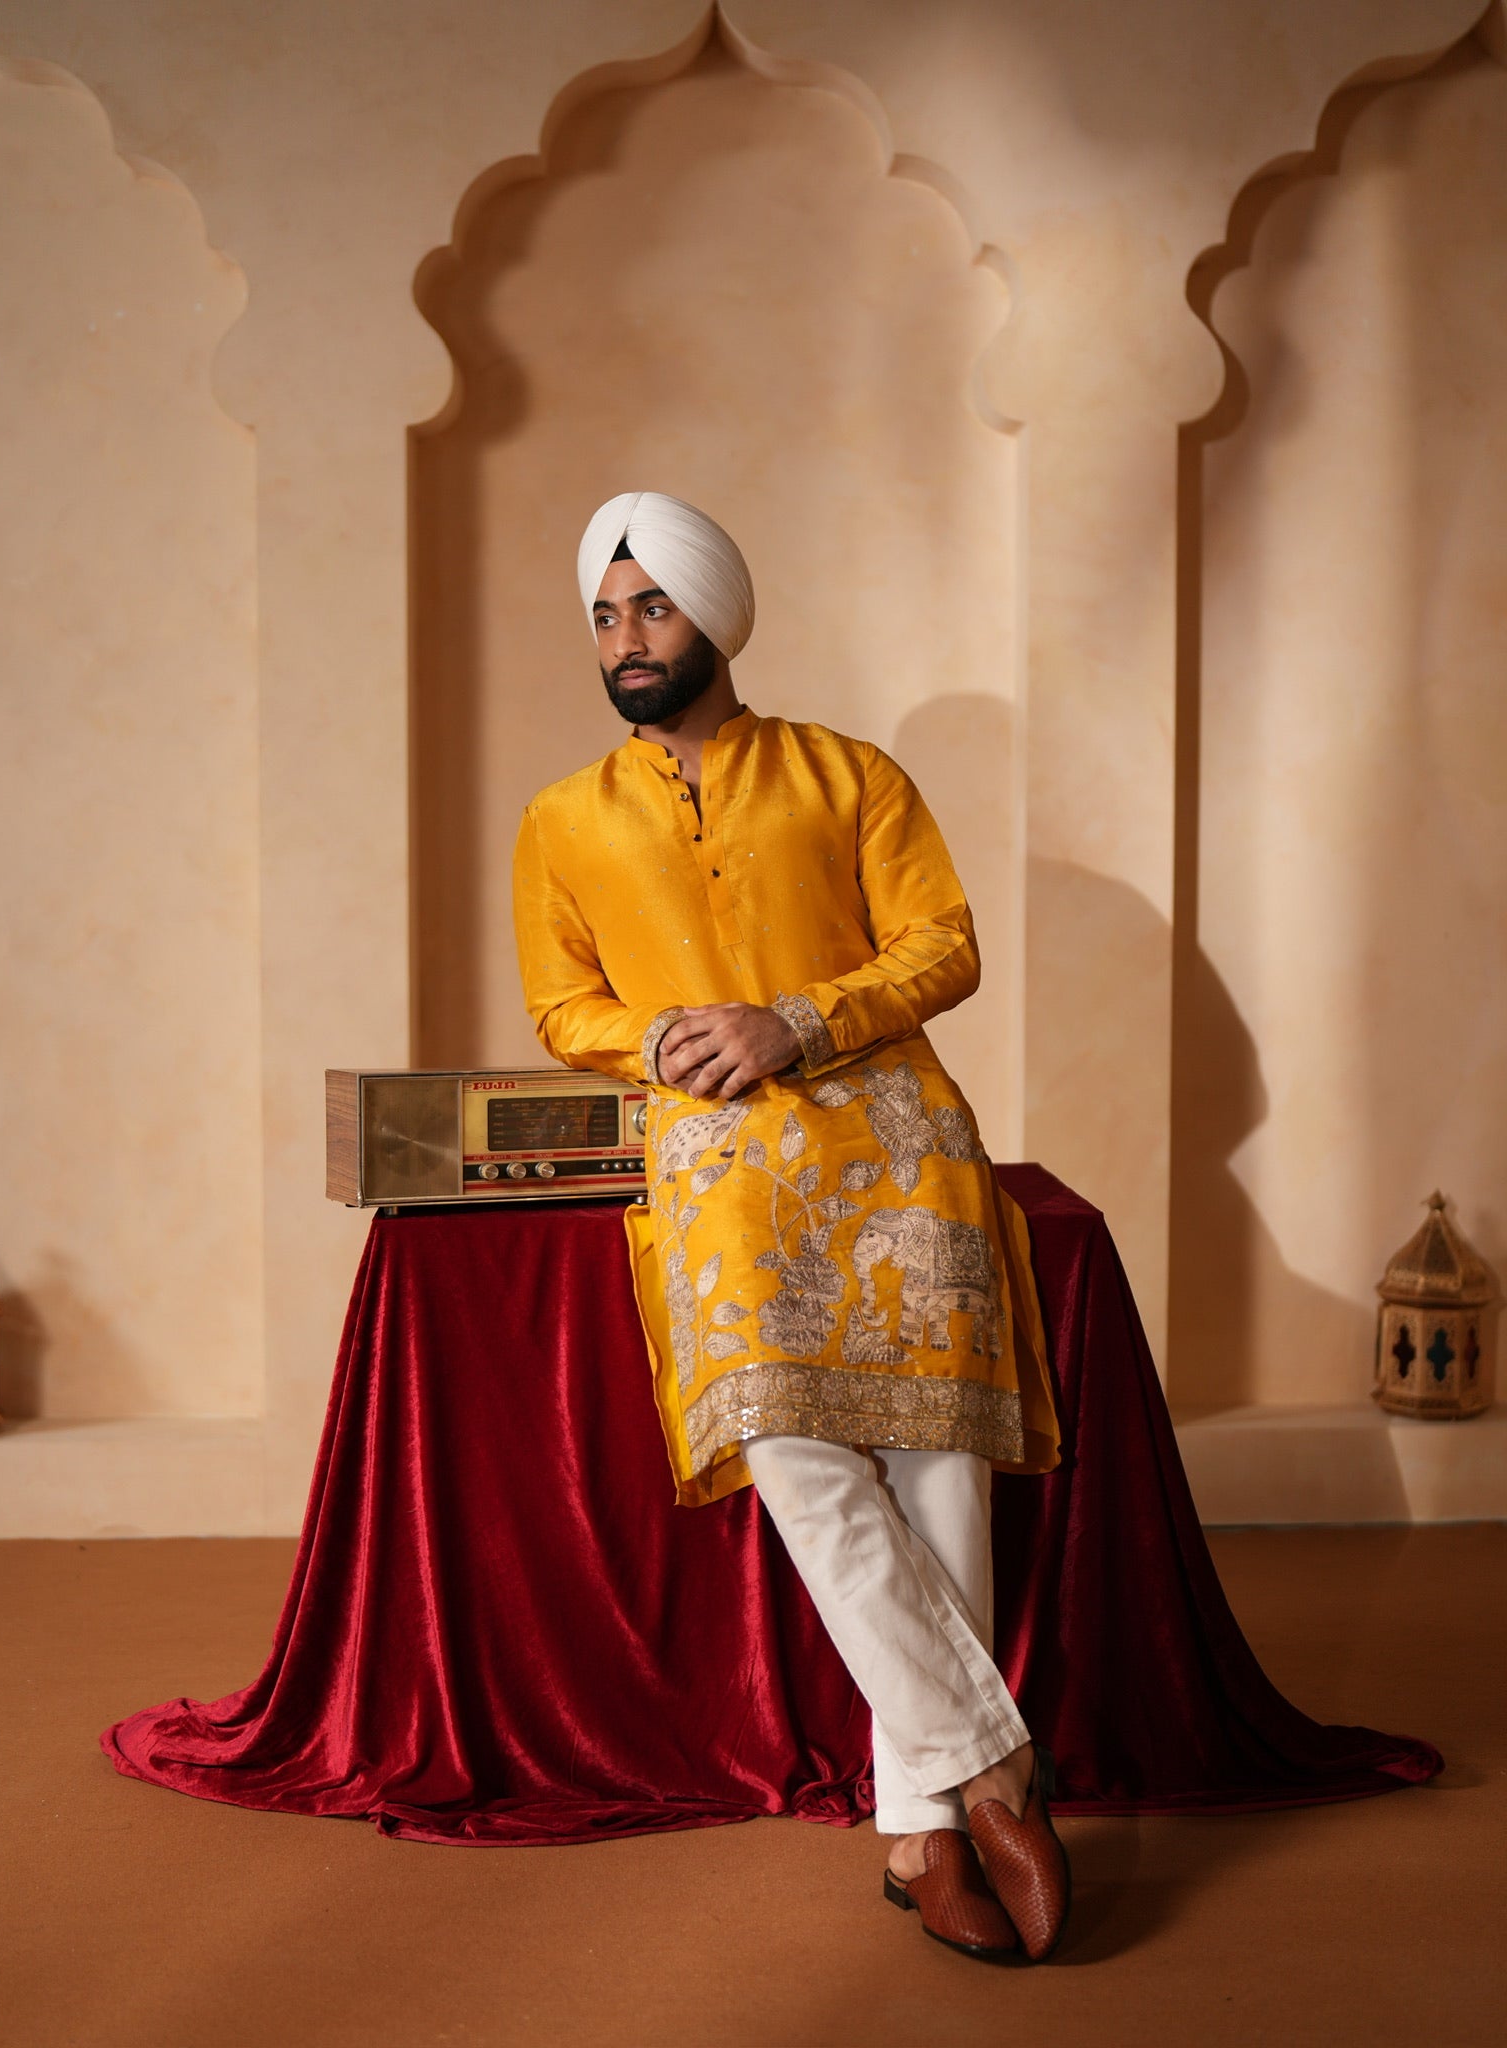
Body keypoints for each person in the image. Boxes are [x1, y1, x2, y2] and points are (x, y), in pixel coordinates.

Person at [512, 490, 1069, 1964]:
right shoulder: (564, 818)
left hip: (895, 1139)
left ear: (714, 615)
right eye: (607, 616)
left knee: (939, 1466)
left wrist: (796, 1022)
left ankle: (919, 1832)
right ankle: (995, 1771)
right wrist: (662, 1041)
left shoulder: (848, 775)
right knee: (796, 1457)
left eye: (653, 607)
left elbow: (942, 943)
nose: (628, 640)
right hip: (720, 1162)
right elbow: (562, 1002)